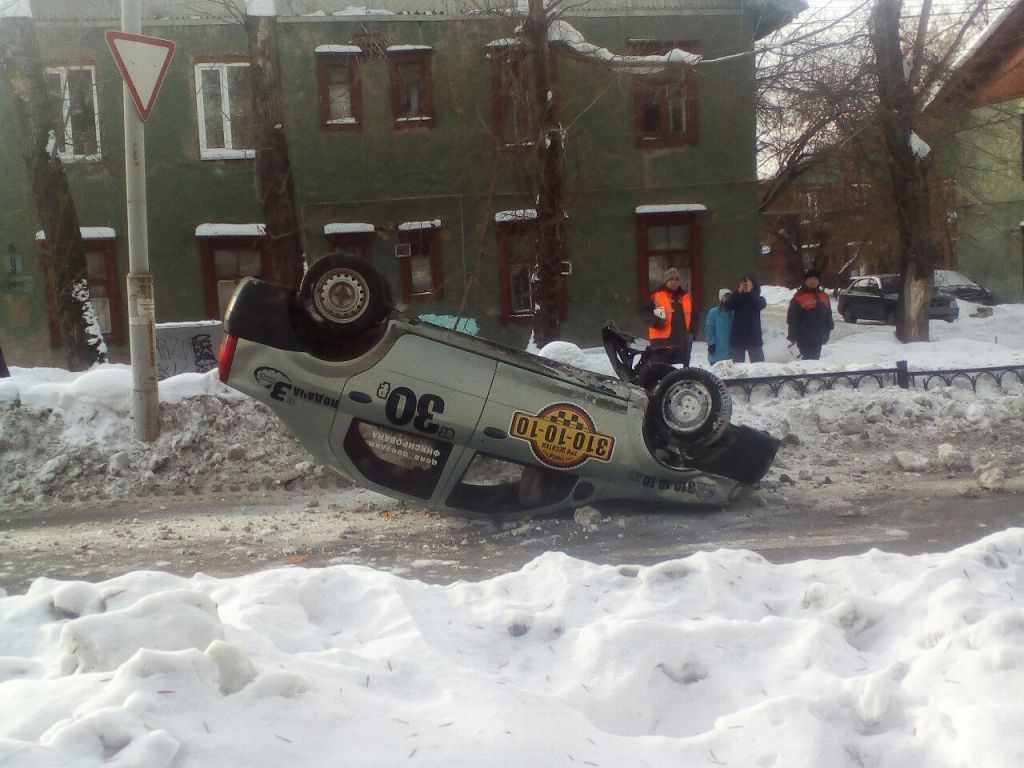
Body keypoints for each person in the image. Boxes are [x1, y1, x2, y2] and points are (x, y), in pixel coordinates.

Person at [641, 266, 698, 367]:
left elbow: (695, 317)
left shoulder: (686, 297)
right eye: (671, 279)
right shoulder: (655, 296)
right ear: (666, 281)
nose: (674, 282)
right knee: (660, 373)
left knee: (680, 376)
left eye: (676, 279)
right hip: (661, 344)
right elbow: (644, 312)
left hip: (682, 343)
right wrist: (656, 322)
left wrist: (692, 333)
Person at [787, 269, 834, 360]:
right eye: (810, 279)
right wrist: (793, 336)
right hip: (804, 336)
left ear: (818, 281)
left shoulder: (824, 296)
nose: (812, 281)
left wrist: (829, 326)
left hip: (819, 335)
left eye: (815, 279)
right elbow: (792, 319)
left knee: (815, 358)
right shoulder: (798, 298)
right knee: (809, 360)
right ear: (805, 281)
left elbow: (828, 313)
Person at [724, 274, 766, 363]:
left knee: (759, 367)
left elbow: (760, 305)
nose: (746, 285)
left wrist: (751, 292)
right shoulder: (737, 298)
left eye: (748, 283)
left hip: (754, 337)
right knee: (737, 368)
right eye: (744, 283)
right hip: (738, 337)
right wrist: (737, 292)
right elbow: (727, 306)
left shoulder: (759, 299)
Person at [704, 288, 734, 364]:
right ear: (721, 298)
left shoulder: (734, 312)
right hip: (717, 350)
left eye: (729, 297)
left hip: (730, 352)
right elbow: (709, 329)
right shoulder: (713, 312)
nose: (728, 299)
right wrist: (711, 343)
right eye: (725, 296)